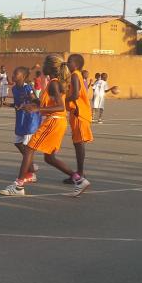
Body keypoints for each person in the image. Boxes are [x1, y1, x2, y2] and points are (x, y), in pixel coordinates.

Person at [0, 54, 89, 197]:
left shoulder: (54, 83)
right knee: (49, 158)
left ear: (50, 67)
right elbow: (48, 103)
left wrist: (38, 109)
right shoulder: (52, 83)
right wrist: (30, 104)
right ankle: (79, 180)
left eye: (44, 64)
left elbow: (60, 107)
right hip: (56, 121)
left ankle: (18, 185)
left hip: (54, 121)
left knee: (29, 148)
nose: (42, 66)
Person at [64, 54, 93, 190]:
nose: (67, 64)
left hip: (79, 113)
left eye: (69, 62)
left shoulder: (75, 75)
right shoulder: (76, 75)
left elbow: (75, 94)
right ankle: (79, 173)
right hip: (76, 113)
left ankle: (80, 174)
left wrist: (64, 99)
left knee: (79, 144)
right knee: (77, 143)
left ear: (75, 64)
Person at [10, 66, 40, 181]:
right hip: (21, 118)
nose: (13, 76)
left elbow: (36, 101)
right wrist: (11, 105)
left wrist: (31, 102)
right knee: (17, 143)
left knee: (28, 147)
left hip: (30, 118)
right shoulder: (14, 89)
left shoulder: (28, 88)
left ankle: (30, 173)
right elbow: (18, 104)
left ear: (22, 77)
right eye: (13, 74)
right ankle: (31, 166)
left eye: (15, 74)